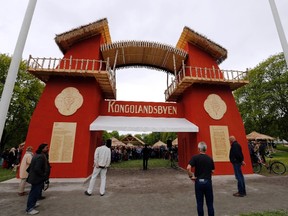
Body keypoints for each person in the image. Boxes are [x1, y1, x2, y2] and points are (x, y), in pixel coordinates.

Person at [187, 141, 215, 216]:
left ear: (199, 149)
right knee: (210, 204)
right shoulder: (210, 158)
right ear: (206, 149)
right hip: (208, 182)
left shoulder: (195, 158)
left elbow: (188, 167)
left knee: (199, 203)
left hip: (198, 182)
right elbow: (212, 171)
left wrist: (191, 177)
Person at [25, 143, 50, 215]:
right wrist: (44, 175)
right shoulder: (40, 157)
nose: (47, 149)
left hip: (36, 178)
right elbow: (37, 168)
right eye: (46, 148)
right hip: (37, 178)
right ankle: (29, 208)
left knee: (36, 192)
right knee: (34, 193)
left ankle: (33, 203)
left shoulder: (38, 155)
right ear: (42, 149)